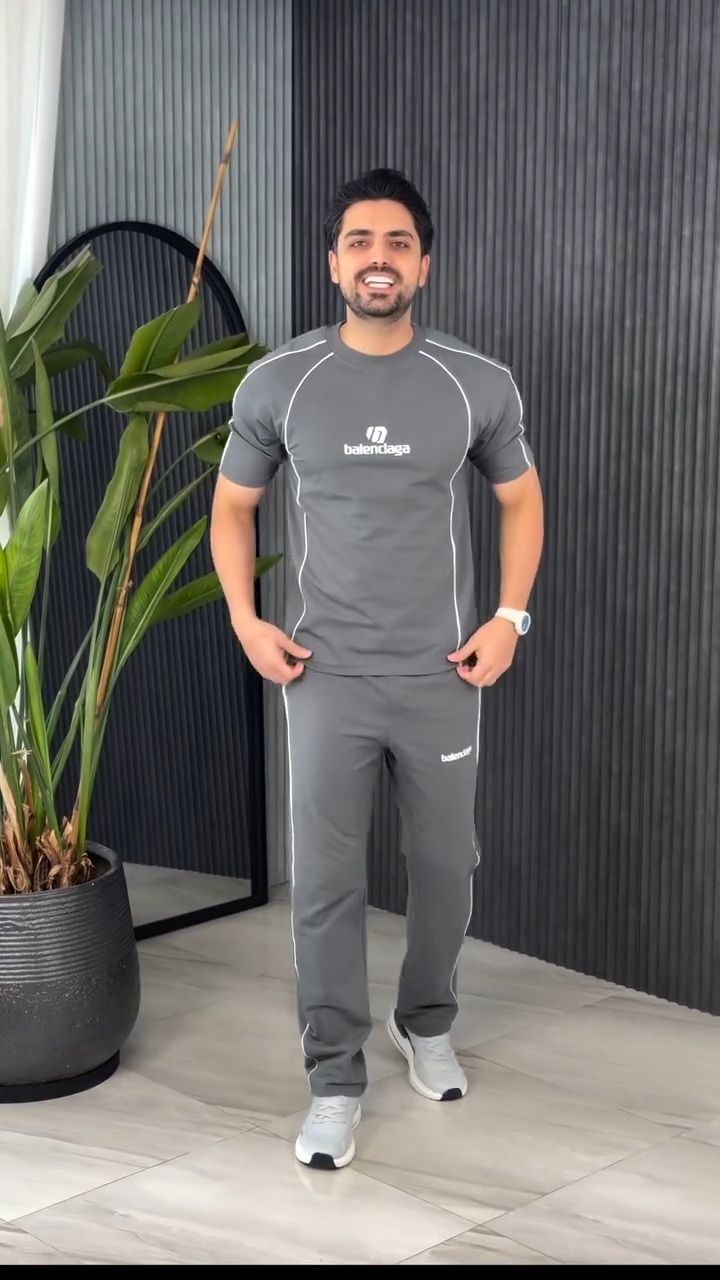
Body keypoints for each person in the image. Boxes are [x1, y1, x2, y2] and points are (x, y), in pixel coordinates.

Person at [210, 168, 544, 1170]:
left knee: (445, 867)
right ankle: (334, 1078)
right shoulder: (282, 382)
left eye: (398, 242)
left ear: (423, 263)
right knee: (325, 880)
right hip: (325, 676)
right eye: (359, 241)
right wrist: (246, 620)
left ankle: (425, 1019)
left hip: (444, 672)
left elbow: (521, 499)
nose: (379, 259)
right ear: (334, 262)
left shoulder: (475, 382)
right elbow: (233, 507)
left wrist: (509, 618)